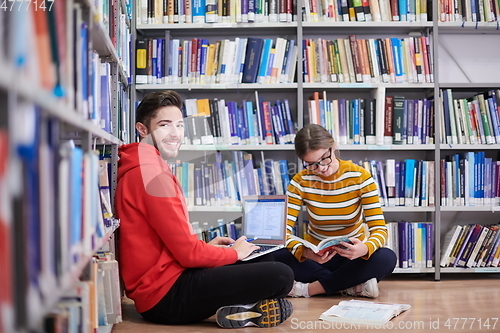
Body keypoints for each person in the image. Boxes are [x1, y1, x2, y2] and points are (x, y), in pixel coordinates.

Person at [114, 90, 294, 328]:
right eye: (164, 125)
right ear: (143, 129)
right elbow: (188, 254)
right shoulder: (150, 175)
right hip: (165, 297)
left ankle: (238, 309)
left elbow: (172, 245)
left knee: (267, 256)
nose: (175, 133)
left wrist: (207, 249)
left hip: (171, 278)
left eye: (179, 125)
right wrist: (233, 254)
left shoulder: (147, 166)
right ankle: (245, 309)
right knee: (281, 275)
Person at [274, 124, 397, 298]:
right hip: (316, 259)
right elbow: (283, 232)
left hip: (352, 259)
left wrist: (364, 248)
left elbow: (380, 230)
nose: (321, 168)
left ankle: (307, 289)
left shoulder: (360, 177)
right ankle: (350, 286)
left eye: (325, 159)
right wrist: (305, 252)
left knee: (386, 257)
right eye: (311, 164)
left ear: (333, 147)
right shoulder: (300, 181)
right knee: (273, 255)